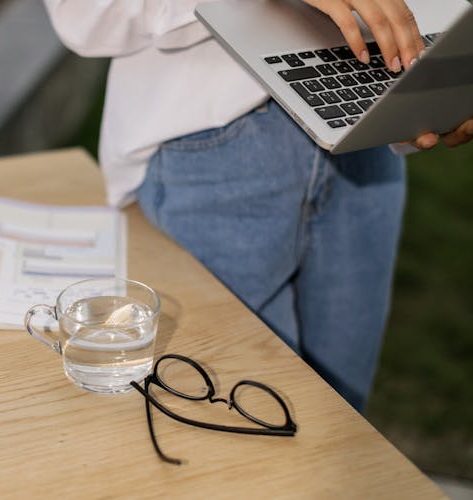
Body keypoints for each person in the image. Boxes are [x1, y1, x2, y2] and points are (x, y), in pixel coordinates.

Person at [42, 0, 473, 411]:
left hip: (368, 130)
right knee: (243, 423)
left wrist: (439, 74)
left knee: (342, 426)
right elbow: (82, 15)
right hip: (217, 148)